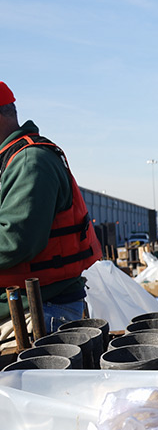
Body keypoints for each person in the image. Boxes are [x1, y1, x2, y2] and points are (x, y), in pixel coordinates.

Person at [0, 81, 102, 345]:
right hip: (26, 307)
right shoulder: (10, 161)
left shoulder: (29, 161)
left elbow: (15, 242)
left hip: (40, 313)